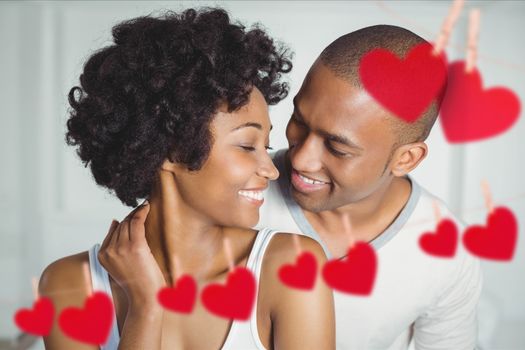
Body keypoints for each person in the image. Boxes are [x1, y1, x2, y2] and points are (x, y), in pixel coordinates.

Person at [38, 9, 334, 350]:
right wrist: (145, 307)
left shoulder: (291, 268)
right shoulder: (70, 285)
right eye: (246, 146)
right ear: (173, 151)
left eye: (265, 146)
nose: (271, 170)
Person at [254, 25, 482, 349]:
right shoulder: (240, 192)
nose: (302, 159)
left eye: (338, 148)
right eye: (300, 123)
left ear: (406, 159)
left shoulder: (447, 254)